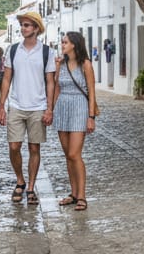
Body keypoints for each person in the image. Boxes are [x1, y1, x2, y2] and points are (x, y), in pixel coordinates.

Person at [0, 11, 57, 205]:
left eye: (27, 25)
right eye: (22, 25)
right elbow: (7, 78)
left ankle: (30, 187)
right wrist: (1, 106)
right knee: (14, 146)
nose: (23, 28)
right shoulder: (13, 50)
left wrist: (49, 108)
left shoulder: (47, 52)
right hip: (16, 104)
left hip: (38, 106)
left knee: (34, 147)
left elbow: (50, 82)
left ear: (36, 29)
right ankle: (20, 180)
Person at [53, 31, 98, 211]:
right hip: (62, 108)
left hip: (80, 108)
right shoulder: (61, 64)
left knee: (74, 154)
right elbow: (57, 88)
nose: (62, 45)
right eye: (62, 42)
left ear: (74, 44)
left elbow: (92, 92)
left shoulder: (85, 64)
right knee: (68, 155)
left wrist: (91, 117)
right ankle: (73, 193)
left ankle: (82, 195)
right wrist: (51, 110)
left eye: (65, 42)